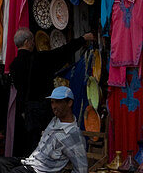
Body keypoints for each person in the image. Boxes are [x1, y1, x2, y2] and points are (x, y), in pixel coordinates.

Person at [9, 27, 94, 155]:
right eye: (32, 41)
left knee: (31, 146)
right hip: (42, 110)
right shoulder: (39, 59)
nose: (33, 43)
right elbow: (62, 52)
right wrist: (83, 39)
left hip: (26, 111)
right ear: (27, 42)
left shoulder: (13, 65)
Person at [0, 86, 88, 173]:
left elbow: (82, 171)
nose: (54, 106)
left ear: (69, 103)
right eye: (52, 102)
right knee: (0, 162)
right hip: (31, 163)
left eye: (58, 102)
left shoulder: (73, 135)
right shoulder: (55, 120)